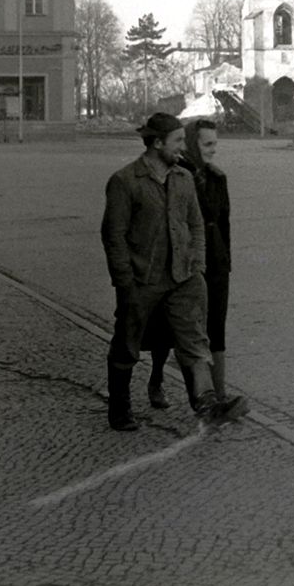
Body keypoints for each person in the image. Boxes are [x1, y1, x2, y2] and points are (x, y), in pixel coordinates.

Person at [100, 112, 244, 431]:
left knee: (194, 339)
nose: (183, 146)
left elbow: (195, 224)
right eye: (177, 140)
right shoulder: (125, 181)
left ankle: (206, 403)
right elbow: (113, 236)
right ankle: (119, 408)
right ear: (156, 143)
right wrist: (125, 281)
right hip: (142, 280)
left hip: (183, 277)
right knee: (128, 342)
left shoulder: (183, 178)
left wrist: (198, 266)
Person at [144, 119, 247, 420]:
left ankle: (218, 396)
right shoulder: (176, 176)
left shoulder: (217, 178)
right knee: (173, 329)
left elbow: (224, 224)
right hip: (183, 262)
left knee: (215, 326)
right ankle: (157, 378)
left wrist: (225, 262)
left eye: (215, 144)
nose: (214, 150)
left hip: (215, 263)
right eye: (207, 144)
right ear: (192, 144)